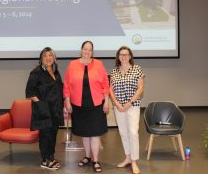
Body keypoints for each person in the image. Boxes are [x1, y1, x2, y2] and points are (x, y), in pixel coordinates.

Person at [64, 40, 110, 173]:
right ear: (81, 50)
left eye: (90, 50)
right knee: (85, 133)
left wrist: (106, 101)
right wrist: (67, 101)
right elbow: (66, 84)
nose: (87, 52)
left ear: (92, 52)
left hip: (96, 104)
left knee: (95, 133)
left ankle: (95, 160)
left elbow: (105, 85)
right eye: (85, 49)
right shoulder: (72, 65)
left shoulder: (99, 64)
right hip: (78, 104)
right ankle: (87, 156)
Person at [26, 47, 64, 170]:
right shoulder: (36, 72)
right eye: (45, 56)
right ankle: (45, 160)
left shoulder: (56, 72)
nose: (48, 58)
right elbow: (29, 92)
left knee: (53, 135)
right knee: (45, 135)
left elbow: (59, 90)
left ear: (54, 58)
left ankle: (51, 157)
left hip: (56, 110)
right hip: (44, 110)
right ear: (41, 59)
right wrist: (41, 105)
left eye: (50, 56)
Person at [110, 46, 145, 174]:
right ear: (118, 57)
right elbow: (110, 90)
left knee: (133, 132)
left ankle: (134, 161)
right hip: (118, 107)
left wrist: (129, 103)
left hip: (133, 106)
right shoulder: (114, 71)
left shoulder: (137, 69)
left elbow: (140, 88)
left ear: (130, 56)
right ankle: (128, 158)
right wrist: (117, 104)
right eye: (121, 54)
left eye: (126, 54)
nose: (123, 56)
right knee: (123, 133)